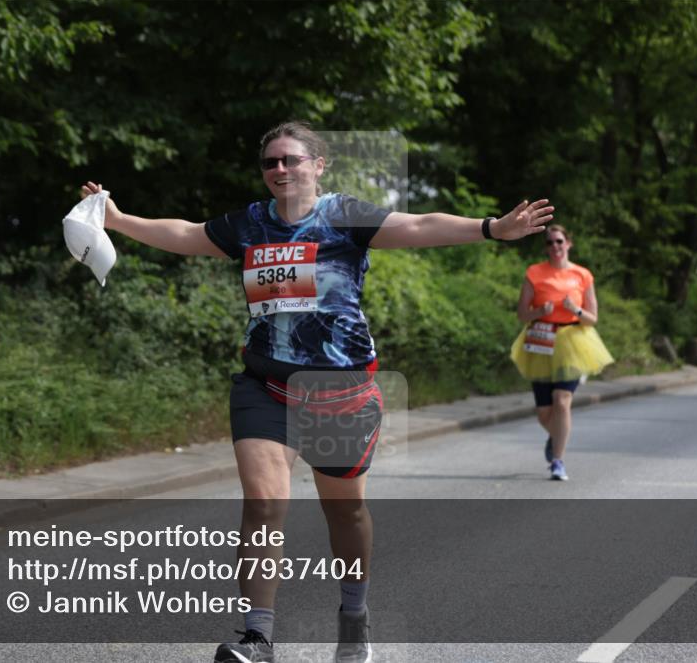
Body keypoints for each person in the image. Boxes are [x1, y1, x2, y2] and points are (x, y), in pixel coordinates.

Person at [81, 121, 554, 663]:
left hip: (340, 391)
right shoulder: (251, 223)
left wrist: (493, 228)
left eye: (291, 159)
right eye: (270, 162)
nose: (280, 169)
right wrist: (118, 220)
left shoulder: (343, 216)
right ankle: (258, 637)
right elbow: (188, 235)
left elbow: (420, 224)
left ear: (318, 165)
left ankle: (354, 615)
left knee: (345, 514)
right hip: (266, 386)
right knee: (263, 503)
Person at [509, 225, 613, 481]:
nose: (555, 246)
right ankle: (556, 437)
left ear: (568, 244)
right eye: (550, 243)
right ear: (546, 248)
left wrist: (574, 309)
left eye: (559, 241)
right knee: (544, 412)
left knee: (562, 400)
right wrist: (539, 312)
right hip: (542, 339)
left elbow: (592, 318)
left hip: (573, 340)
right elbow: (521, 314)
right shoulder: (534, 273)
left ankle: (558, 461)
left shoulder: (582, 275)